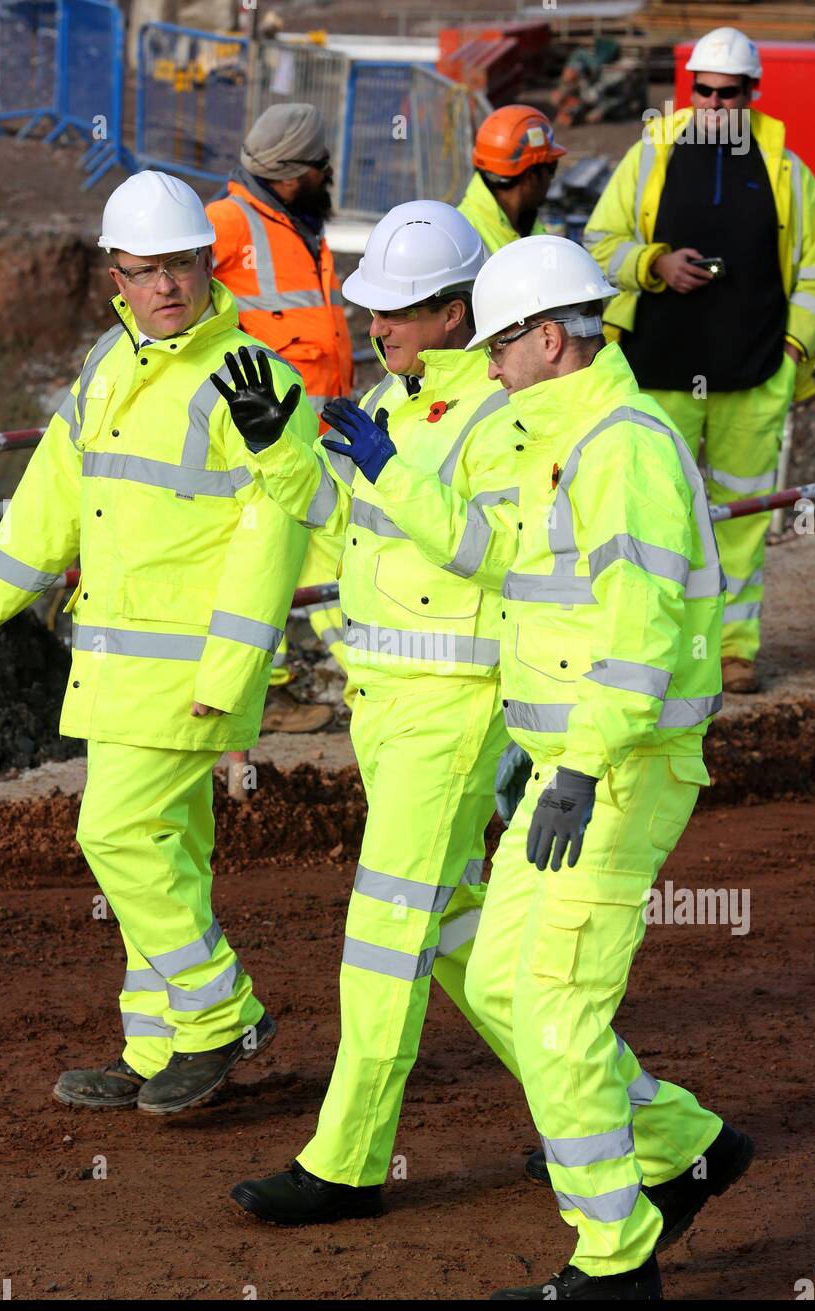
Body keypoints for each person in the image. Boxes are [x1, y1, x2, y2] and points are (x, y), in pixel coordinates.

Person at [317, 236, 752, 1300]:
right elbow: (493, 553)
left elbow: (639, 639)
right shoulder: (551, 436)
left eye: (501, 342)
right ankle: (687, 1146)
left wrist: (575, 768)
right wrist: (387, 471)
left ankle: (614, 1259)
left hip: (614, 771)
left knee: (554, 1013)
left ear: (546, 339)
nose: (489, 361)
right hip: (568, 763)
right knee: (511, 982)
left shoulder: (622, 449)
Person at [0, 171, 319, 1114]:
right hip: (114, 665)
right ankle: (157, 1045)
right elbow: (51, 498)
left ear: (208, 264)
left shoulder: (254, 381)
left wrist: (233, 674)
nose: (168, 285)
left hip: (190, 670)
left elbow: (275, 535)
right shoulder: (107, 368)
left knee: (112, 833)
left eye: (185, 265)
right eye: (148, 269)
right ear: (115, 274)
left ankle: (219, 1013)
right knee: (167, 853)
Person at [213, 202, 529, 1225]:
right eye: (371, 310)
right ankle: (647, 1129)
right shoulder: (394, 404)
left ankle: (346, 1163)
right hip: (385, 708)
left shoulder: (500, 410)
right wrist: (281, 454)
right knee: (455, 939)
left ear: (454, 310)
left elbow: (493, 552)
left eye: (396, 312)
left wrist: (393, 475)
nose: (375, 328)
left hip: (456, 711)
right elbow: (338, 531)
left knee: (386, 931)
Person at [583, 27, 815, 692]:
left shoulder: (785, 171)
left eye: (729, 94)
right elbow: (598, 242)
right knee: (654, 520)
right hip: (654, 374)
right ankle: (657, 649)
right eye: (704, 91)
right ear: (686, 89)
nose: (715, 105)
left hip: (752, 378)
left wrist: (791, 352)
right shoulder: (647, 159)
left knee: (742, 521)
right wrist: (653, 263)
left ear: (752, 94)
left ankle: (732, 651)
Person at [207, 103, 352, 731]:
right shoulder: (228, 223)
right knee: (260, 564)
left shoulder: (301, 224)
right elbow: (164, 297)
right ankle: (264, 697)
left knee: (326, 561)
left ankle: (369, 673)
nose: (328, 175)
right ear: (294, 173)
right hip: (262, 447)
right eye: (321, 167)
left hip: (314, 443)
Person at [457, 104, 566, 253]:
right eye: (552, 168)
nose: (551, 179)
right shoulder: (463, 237)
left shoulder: (527, 222)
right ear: (531, 177)